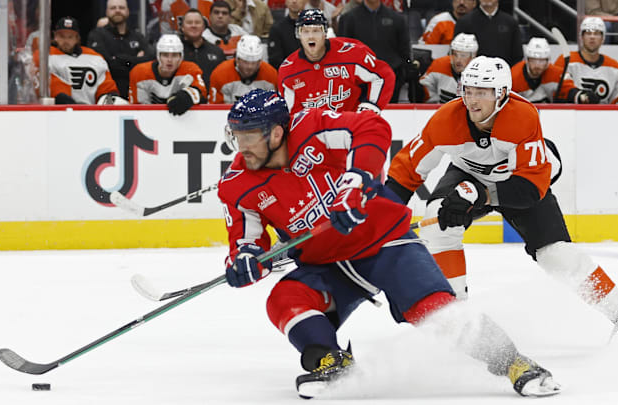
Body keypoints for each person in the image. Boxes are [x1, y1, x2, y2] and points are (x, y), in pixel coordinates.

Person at [219, 89, 562, 399]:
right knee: (284, 300)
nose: (241, 146)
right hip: (326, 266)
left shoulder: (313, 126)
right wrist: (245, 262)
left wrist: (356, 183)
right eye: (237, 136)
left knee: (436, 311)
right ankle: (329, 359)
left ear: (277, 133)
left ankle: (514, 361)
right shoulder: (236, 184)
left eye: (248, 136)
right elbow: (246, 244)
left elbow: (372, 128)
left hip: (385, 242)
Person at [385, 56, 618, 354]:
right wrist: (382, 220)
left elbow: (529, 189)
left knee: (558, 256)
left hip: (518, 179)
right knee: (439, 223)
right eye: (468, 90)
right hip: (466, 174)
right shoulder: (445, 119)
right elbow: (405, 171)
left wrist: (481, 195)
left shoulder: (522, 116)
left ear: (501, 94)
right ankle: (458, 322)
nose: (472, 100)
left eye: (482, 92)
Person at [278, 9, 394, 114]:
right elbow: (293, 115)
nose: (311, 37)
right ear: (298, 34)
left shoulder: (351, 54)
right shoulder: (288, 71)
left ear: (325, 33)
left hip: (353, 125)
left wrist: (372, 106)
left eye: (316, 31)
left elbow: (383, 75)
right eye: (305, 31)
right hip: (315, 132)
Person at [34, 17, 122, 105]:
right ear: (55, 37)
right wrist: (65, 101)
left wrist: (110, 103)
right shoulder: (44, 56)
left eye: (70, 37)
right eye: (62, 36)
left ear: (77, 38)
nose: (66, 41)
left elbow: (107, 88)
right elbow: (50, 83)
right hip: (60, 112)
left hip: (90, 112)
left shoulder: (95, 57)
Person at [337, 0, 410, 102]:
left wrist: (401, 71)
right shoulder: (348, 18)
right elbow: (342, 51)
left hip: (391, 77)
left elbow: (405, 50)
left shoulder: (397, 19)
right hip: (359, 80)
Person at [554, 17, 618, 104]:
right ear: (581, 37)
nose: (592, 37)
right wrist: (580, 97)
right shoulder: (565, 61)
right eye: (588, 33)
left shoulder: (614, 67)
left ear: (603, 38)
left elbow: (614, 103)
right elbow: (559, 92)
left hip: (602, 116)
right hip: (572, 115)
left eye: (596, 33)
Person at [87, 0, 155, 99]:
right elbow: (104, 64)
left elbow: (150, 61)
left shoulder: (137, 36)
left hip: (137, 96)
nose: (117, 11)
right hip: (107, 96)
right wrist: (135, 61)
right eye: (113, 8)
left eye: (121, 8)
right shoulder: (97, 35)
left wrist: (120, 59)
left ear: (127, 11)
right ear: (107, 12)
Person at [128, 34, 207, 115]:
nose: (170, 60)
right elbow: (136, 107)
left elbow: (202, 93)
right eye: (165, 55)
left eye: (174, 55)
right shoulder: (139, 72)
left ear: (181, 57)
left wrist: (189, 95)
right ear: (158, 56)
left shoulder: (191, 69)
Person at [512, 37, 599, 104]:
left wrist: (582, 97)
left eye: (542, 60)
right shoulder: (514, 76)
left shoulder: (557, 74)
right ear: (527, 60)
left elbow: (569, 91)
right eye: (533, 60)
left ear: (547, 61)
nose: (537, 65)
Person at [209, 34, 278, 103]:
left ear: (260, 61)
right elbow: (216, 110)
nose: (250, 67)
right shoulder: (220, 74)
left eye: (254, 62)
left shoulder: (271, 75)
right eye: (245, 62)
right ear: (237, 59)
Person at [452, 0, 523, 66]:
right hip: (473, 75)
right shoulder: (464, 22)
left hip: (503, 75)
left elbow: (517, 55)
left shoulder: (510, 22)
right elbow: (455, 54)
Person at [419, 33, 478, 103]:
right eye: (455, 54)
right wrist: (434, 101)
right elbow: (425, 90)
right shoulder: (439, 65)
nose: (458, 60)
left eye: (463, 55)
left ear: (473, 57)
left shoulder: (481, 72)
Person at [180, 8, 226, 88]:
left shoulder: (217, 52)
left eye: (197, 22)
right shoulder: (175, 52)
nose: (193, 25)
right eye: (189, 22)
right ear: (182, 27)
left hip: (210, 98)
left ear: (203, 27)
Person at [267, 0, 307, 69]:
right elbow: (275, 61)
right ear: (285, 2)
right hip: (287, 74)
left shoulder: (314, 27)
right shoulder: (277, 29)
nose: (294, 1)